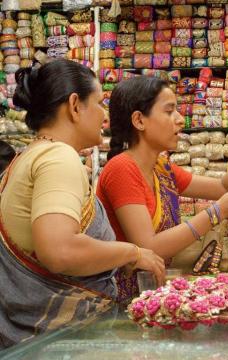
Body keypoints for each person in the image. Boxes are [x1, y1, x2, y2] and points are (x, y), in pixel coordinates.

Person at [0, 59, 165, 348]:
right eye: (100, 102)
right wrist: (131, 253)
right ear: (75, 106)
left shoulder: (27, 157)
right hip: (54, 344)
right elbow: (59, 250)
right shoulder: (58, 158)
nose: (105, 115)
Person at [97, 76, 228, 303]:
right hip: (122, 301)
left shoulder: (161, 168)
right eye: (169, 111)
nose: (180, 120)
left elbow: (225, 187)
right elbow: (148, 246)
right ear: (139, 120)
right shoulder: (122, 169)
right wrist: (217, 212)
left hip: (151, 296)